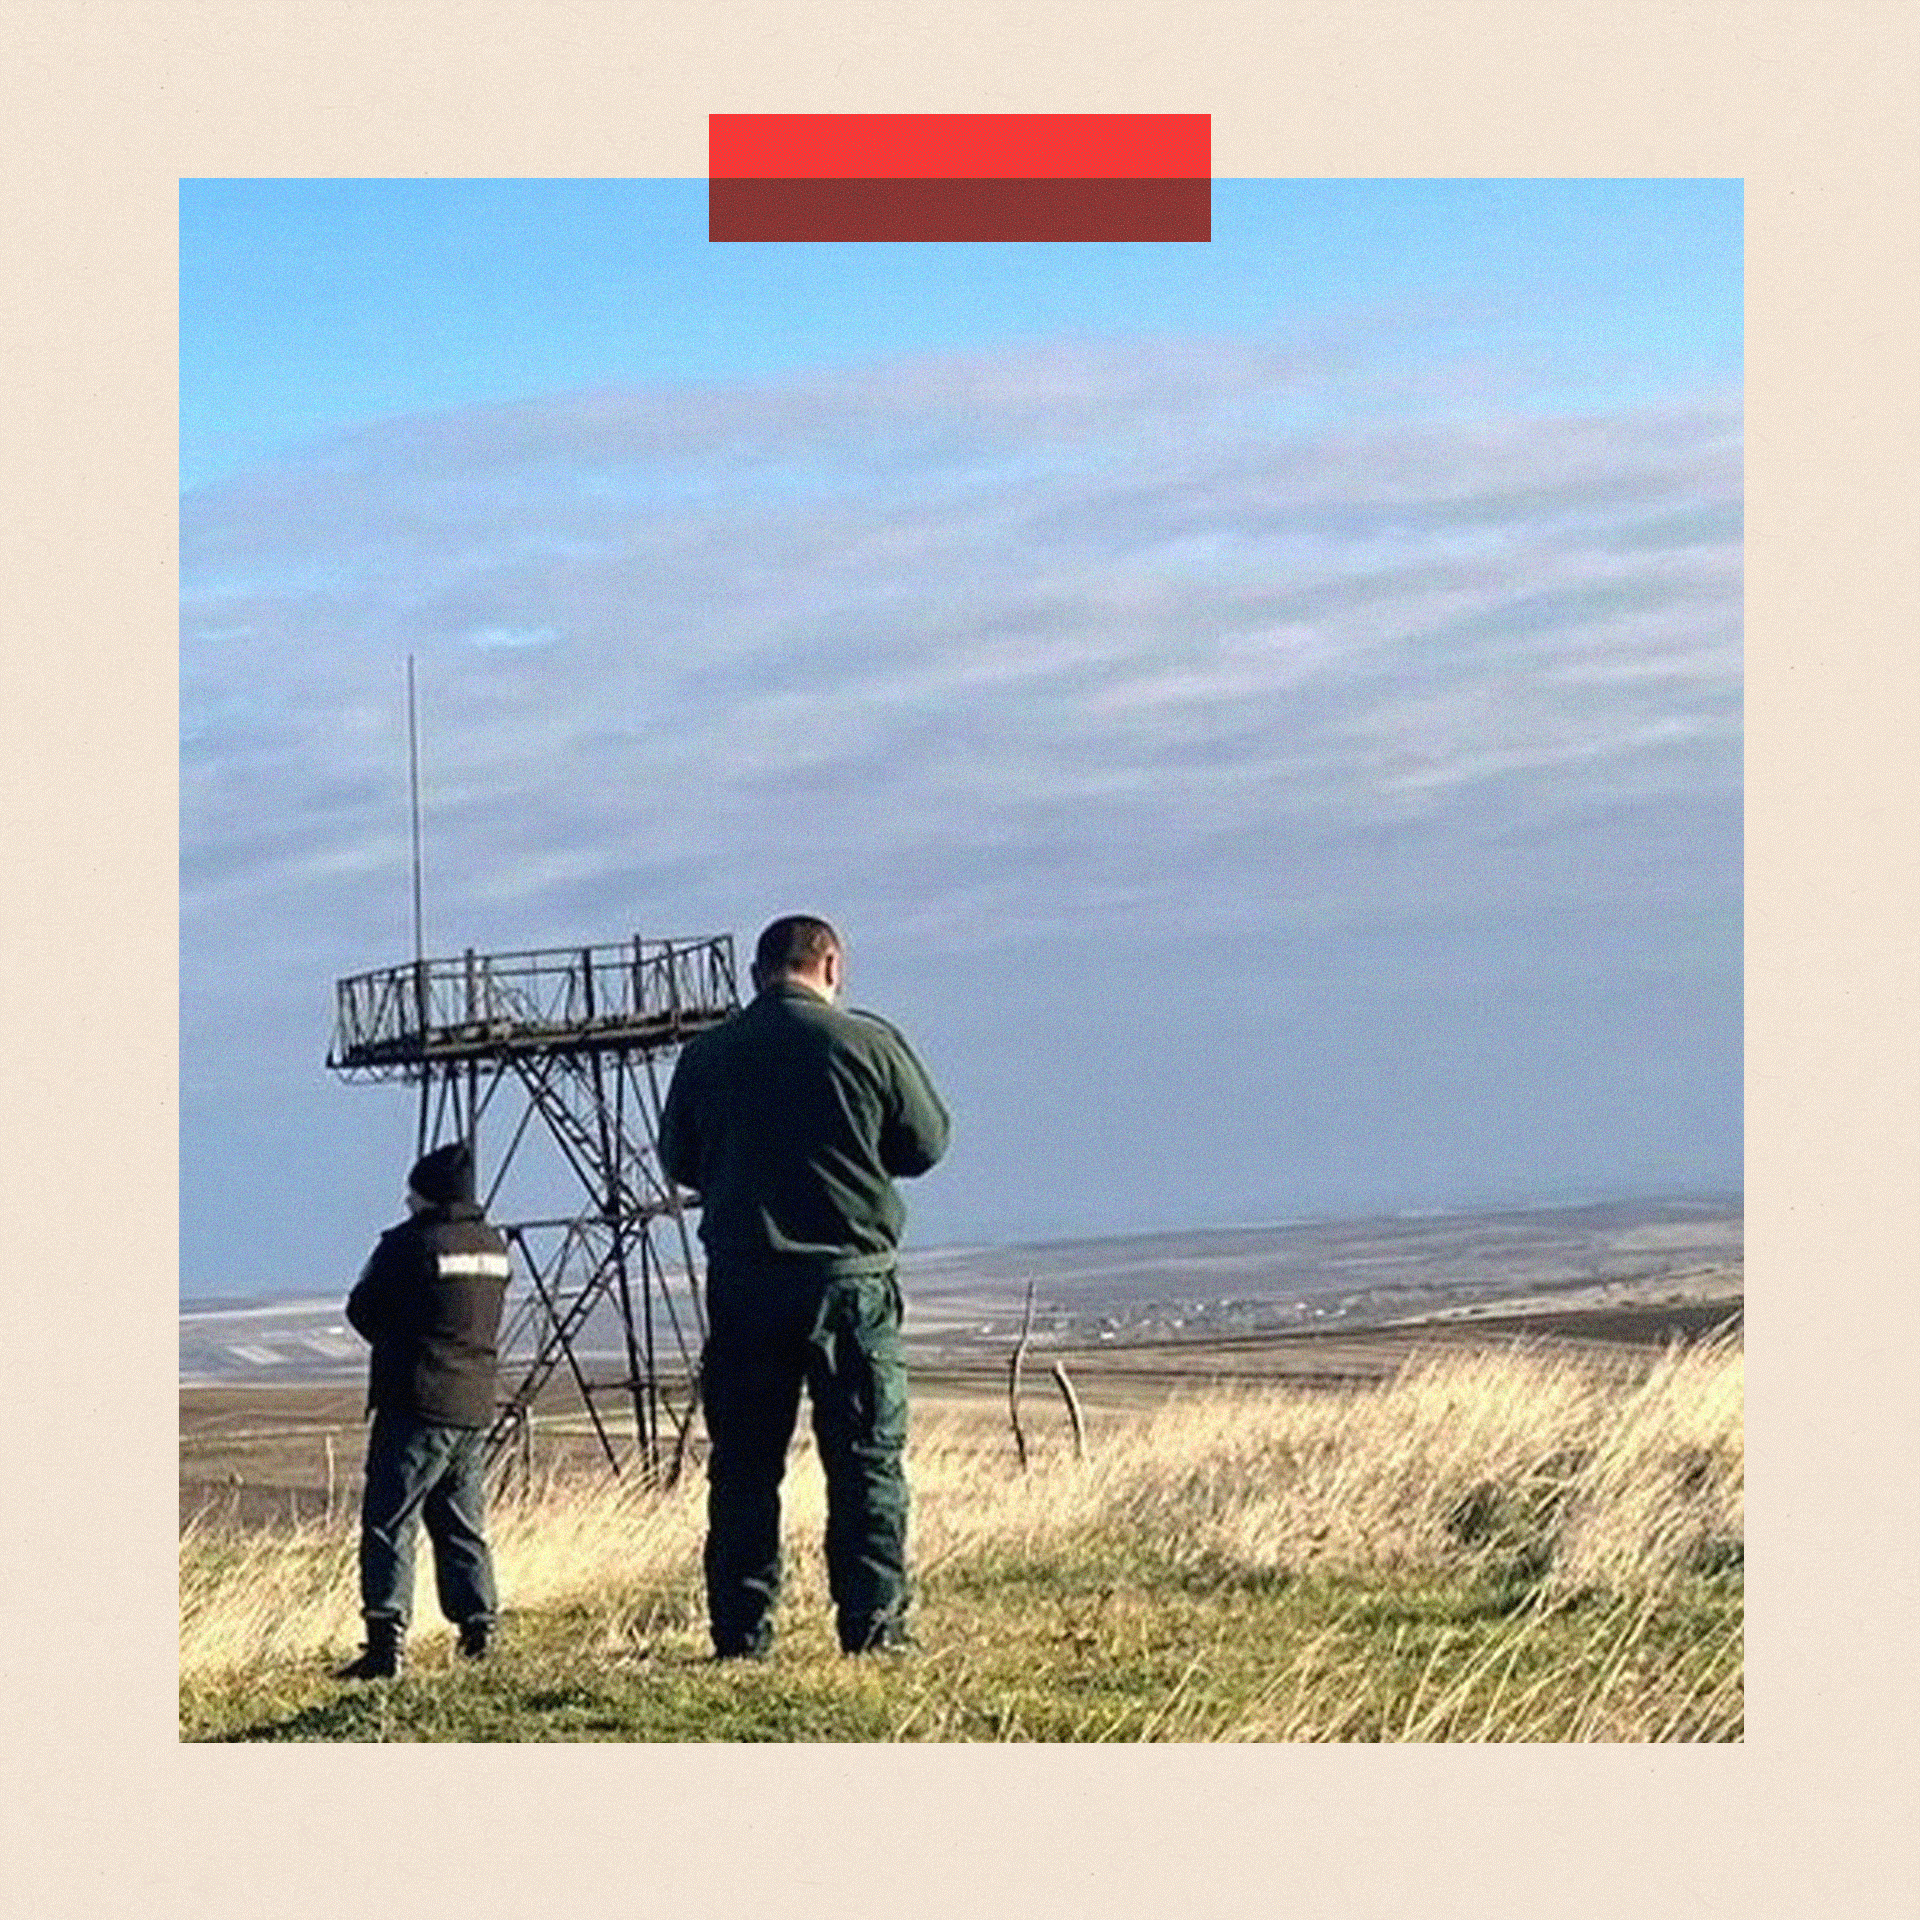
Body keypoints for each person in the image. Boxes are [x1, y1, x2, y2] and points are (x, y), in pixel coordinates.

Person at [659, 914, 951, 1659]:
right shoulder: (868, 1044)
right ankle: (874, 1630)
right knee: (865, 1465)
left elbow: (681, 1159)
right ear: (832, 965)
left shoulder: (708, 1055)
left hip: (746, 1282)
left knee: (745, 1469)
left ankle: (742, 1636)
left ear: (758, 973)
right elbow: (926, 1144)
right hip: (849, 1283)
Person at [335, 1139, 511, 1681]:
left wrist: (400, 1343)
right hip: (474, 1403)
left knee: (391, 1522)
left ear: (425, 1194)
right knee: (462, 1524)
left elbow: (362, 1308)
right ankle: (479, 1629)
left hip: (416, 1401)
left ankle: (386, 1645)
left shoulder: (408, 1245)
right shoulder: (493, 1246)